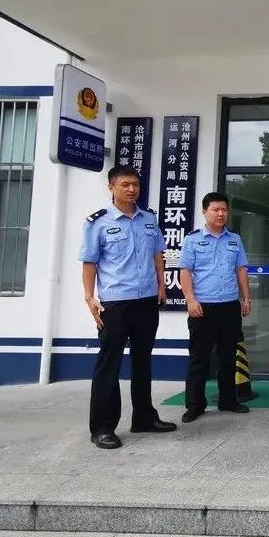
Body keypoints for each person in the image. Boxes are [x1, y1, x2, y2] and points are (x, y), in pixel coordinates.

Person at [78, 165, 177, 449]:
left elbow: (158, 254)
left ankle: (144, 417)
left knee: (143, 360)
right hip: (115, 303)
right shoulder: (97, 222)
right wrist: (89, 298)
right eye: (125, 185)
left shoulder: (148, 219)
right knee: (109, 364)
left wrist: (161, 286)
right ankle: (102, 428)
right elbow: (89, 263)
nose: (132, 189)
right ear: (111, 187)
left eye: (135, 184)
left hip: (146, 300)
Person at [178, 192, 252, 423]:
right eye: (215, 210)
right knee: (199, 358)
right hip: (203, 307)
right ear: (204, 212)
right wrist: (190, 300)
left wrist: (246, 298)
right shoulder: (193, 240)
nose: (221, 214)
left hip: (229, 306)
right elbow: (185, 271)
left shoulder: (234, 239)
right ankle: (194, 405)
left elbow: (241, 270)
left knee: (228, 357)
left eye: (224, 210)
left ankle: (228, 400)